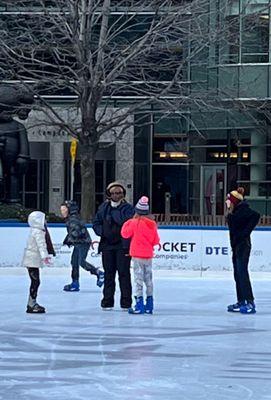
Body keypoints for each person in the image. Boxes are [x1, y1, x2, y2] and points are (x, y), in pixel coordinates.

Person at [92, 182, 134, 310]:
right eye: (114, 193)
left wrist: (114, 212)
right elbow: (96, 223)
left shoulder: (128, 208)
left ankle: (126, 302)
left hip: (123, 246)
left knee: (124, 274)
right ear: (109, 194)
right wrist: (103, 232)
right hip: (107, 245)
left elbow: (126, 222)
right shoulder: (103, 207)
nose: (116, 195)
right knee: (109, 274)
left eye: (119, 193)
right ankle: (107, 301)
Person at [121, 196, 160, 314]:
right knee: (148, 279)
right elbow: (156, 240)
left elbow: (124, 234)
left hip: (137, 255)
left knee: (138, 280)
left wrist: (128, 222)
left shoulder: (134, 223)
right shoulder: (152, 225)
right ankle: (149, 303)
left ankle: (139, 304)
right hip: (148, 255)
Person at [226, 187, 260, 314]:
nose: (226, 202)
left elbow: (256, 215)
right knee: (237, 273)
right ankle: (241, 300)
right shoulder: (233, 212)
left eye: (228, 200)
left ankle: (249, 301)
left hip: (243, 246)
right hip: (236, 246)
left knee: (242, 273)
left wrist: (245, 233)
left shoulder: (243, 210)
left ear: (233, 201)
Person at [60, 200, 104, 292]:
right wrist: (68, 239)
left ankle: (99, 273)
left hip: (83, 243)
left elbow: (77, 233)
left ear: (69, 210)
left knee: (81, 262)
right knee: (74, 262)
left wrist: (70, 239)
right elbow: (74, 232)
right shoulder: (71, 218)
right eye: (61, 210)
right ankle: (75, 283)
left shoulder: (73, 219)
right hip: (79, 243)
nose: (62, 212)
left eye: (64, 210)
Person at [22, 211, 55, 314]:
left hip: (31, 259)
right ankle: (31, 304)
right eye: (43, 219)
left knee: (35, 281)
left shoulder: (35, 231)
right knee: (35, 281)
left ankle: (31, 303)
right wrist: (45, 257)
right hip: (32, 260)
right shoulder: (38, 232)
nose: (45, 221)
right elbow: (41, 245)